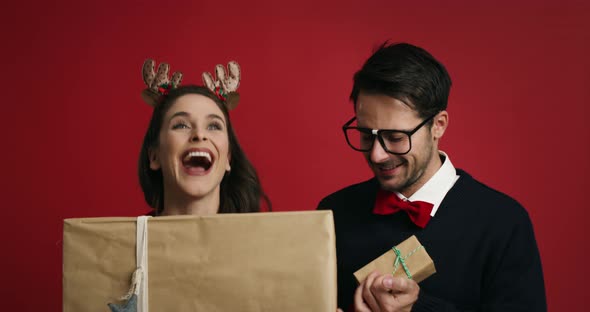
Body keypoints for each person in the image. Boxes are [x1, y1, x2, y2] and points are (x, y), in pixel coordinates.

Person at [317, 43, 546, 311]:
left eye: (396, 137)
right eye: (367, 135)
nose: (377, 155)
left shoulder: (504, 222)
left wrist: (417, 308)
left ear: (438, 125)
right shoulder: (334, 212)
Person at [138, 60, 270, 216]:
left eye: (214, 126)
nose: (199, 135)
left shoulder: (262, 238)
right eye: (181, 125)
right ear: (154, 156)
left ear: (228, 158)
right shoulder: (124, 239)